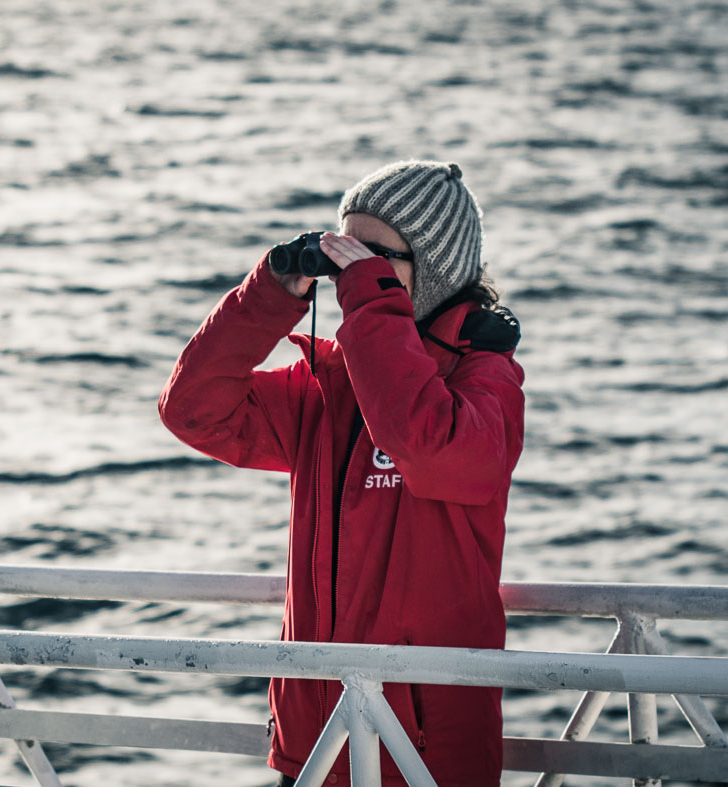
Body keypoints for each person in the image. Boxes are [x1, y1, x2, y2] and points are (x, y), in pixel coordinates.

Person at [158, 159, 524, 785]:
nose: (350, 269)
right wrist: (271, 292)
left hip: (425, 752)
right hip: (313, 739)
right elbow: (192, 411)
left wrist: (367, 297)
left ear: (431, 269)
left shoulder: (485, 380)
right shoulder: (323, 388)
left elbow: (425, 444)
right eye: (341, 251)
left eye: (373, 256)